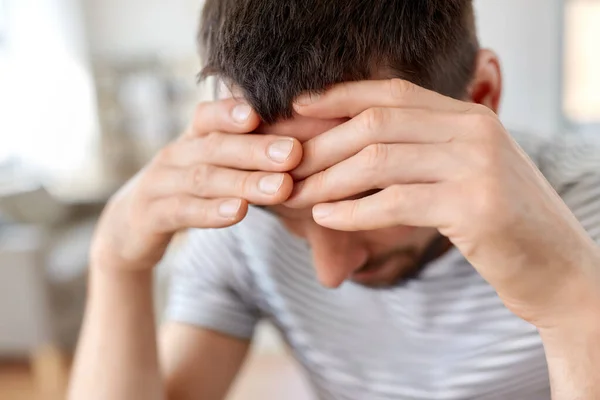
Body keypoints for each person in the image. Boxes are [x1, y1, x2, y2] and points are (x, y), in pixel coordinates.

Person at [69, 1, 600, 399]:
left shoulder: (587, 207)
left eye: (368, 193)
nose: (330, 271)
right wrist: (115, 259)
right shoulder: (242, 215)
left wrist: (577, 308)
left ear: (480, 96)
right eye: (288, 217)